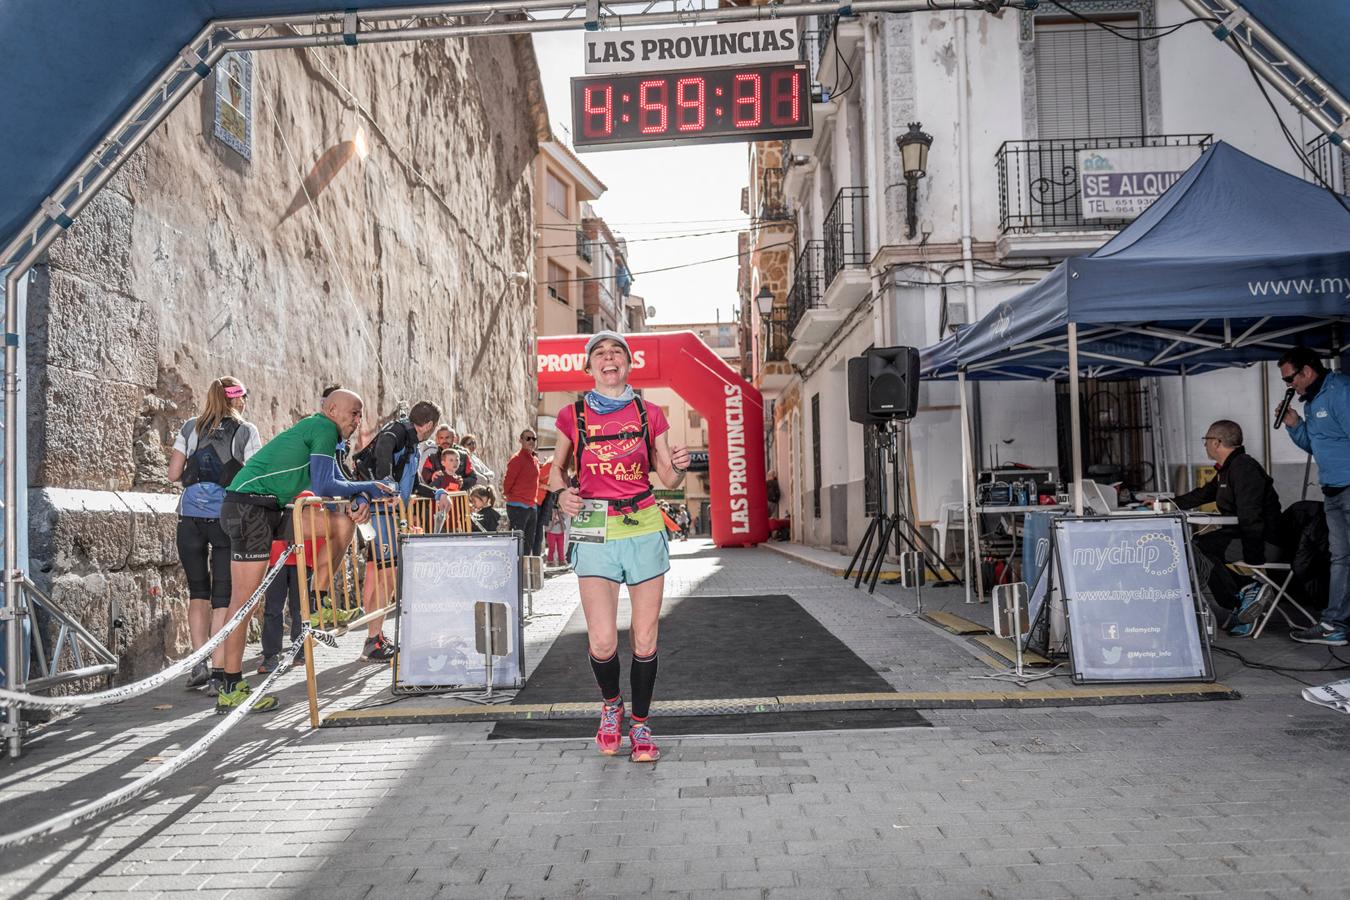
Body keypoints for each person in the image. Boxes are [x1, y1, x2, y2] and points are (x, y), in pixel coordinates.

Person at [550, 331, 690, 764]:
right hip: (594, 527)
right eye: (600, 354)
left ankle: (642, 724)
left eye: (616, 353)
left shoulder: (651, 414)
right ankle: (612, 707)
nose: (608, 359)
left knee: (645, 639)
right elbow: (556, 470)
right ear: (589, 367)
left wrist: (681, 469)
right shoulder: (571, 415)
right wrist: (560, 495)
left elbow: (669, 479)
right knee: (604, 640)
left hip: (644, 524)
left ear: (628, 365)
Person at [216, 389, 393, 712]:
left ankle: (319, 599)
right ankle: (229, 683)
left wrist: (360, 498)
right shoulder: (323, 428)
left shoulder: (326, 435)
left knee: (340, 525)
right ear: (331, 408)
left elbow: (339, 483)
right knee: (244, 601)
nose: (358, 420)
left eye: (360, 414)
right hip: (248, 507)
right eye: (353, 413)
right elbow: (326, 486)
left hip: (271, 508)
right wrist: (368, 488)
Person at [167, 377, 262, 692]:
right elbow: (254, 476)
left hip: (189, 518)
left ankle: (199, 662)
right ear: (237, 399)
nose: (245, 401)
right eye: (244, 396)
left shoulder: (189, 427)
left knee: (198, 594)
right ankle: (221, 670)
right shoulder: (246, 431)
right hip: (225, 520)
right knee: (223, 597)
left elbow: (173, 473)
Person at [1173, 420, 1283, 634]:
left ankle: (1243, 591)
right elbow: (1204, 494)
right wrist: (1169, 504)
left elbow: (1251, 516)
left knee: (1195, 548)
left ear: (1217, 442)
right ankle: (1243, 595)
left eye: (1206, 440)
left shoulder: (1244, 468)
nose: (1204, 445)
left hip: (1263, 544)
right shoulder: (1229, 468)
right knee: (1196, 545)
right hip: (1244, 538)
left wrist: (1254, 560)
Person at [352, 401, 441, 660]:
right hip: (381, 512)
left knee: (377, 576)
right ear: (429, 425)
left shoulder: (411, 443)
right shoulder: (398, 432)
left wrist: (437, 492)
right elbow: (383, 447)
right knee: (387, 577)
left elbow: (413, 484)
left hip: (384, 512)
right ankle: (372, 640)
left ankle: (375, 636)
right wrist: (386, 482)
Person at [1279, 347, 1350, 645]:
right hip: (1332, 489)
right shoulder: (1310, 403)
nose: (1289, 385)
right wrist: (1295, 425)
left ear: (1307, 371)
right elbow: (1316, 444)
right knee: (1341, 557)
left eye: (1290, 378)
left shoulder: (1340, 391)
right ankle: (1335, 624)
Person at [504, 429, 541, 546]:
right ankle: (515, 564)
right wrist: (510, 496)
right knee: (517, 543)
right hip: (517, 506)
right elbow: (508, 482)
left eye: (534, 439)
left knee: (528, 543)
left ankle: (524, 564)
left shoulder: (534, 460)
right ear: (520, 440)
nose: (531, 441)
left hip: (531, 506)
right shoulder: (517, 459)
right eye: (528, 438)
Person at [544, 500, 568, 567]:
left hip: (560, 532)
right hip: (551, 532)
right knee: (552, 548)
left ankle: (561, 560)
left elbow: (566, 517)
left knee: (561, 547)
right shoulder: (549, 511)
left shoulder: (562, 510)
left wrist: (562, 511)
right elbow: (546, 517)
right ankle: (550, 561)